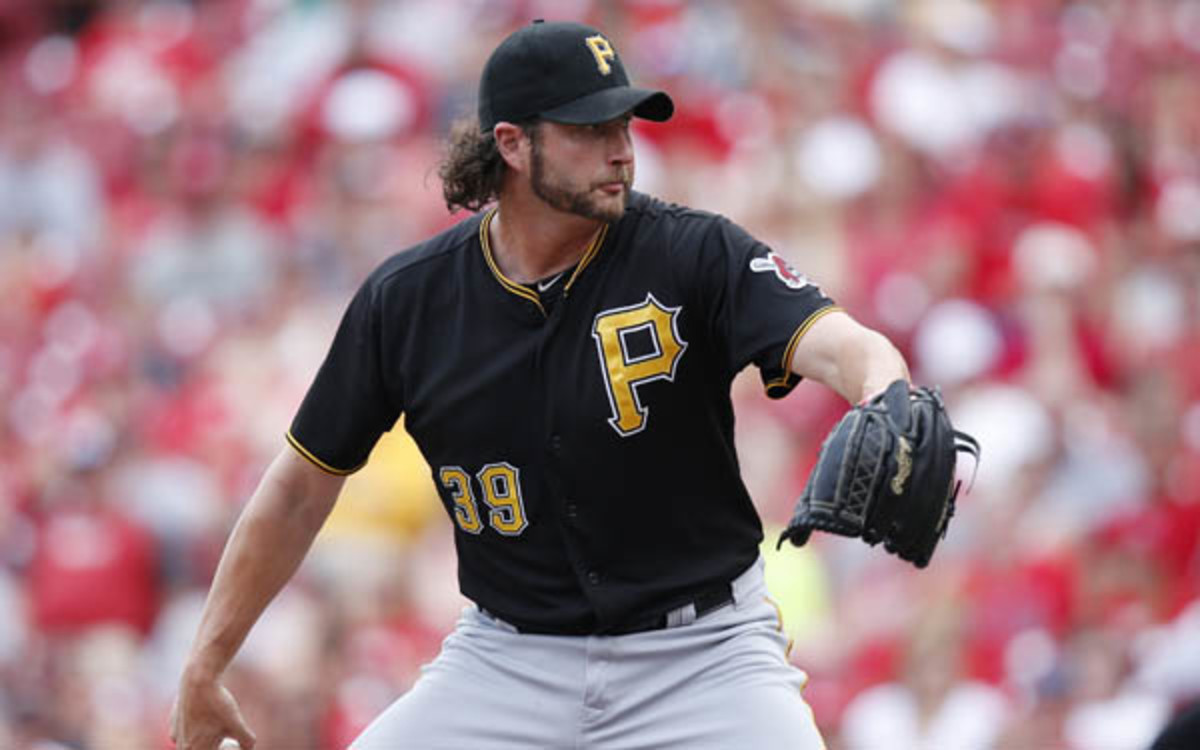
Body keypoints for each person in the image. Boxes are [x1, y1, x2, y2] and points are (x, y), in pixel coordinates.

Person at [171, 19, 911, 750]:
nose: (622, 151)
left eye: (624, 124)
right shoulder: (409, 301)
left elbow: (837, 342)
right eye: (590, 130)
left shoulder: (694, 252)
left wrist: (887, 391)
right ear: (512, 144)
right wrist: (206, 662)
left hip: (704, 656)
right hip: (507, 660)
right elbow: (299, 488)